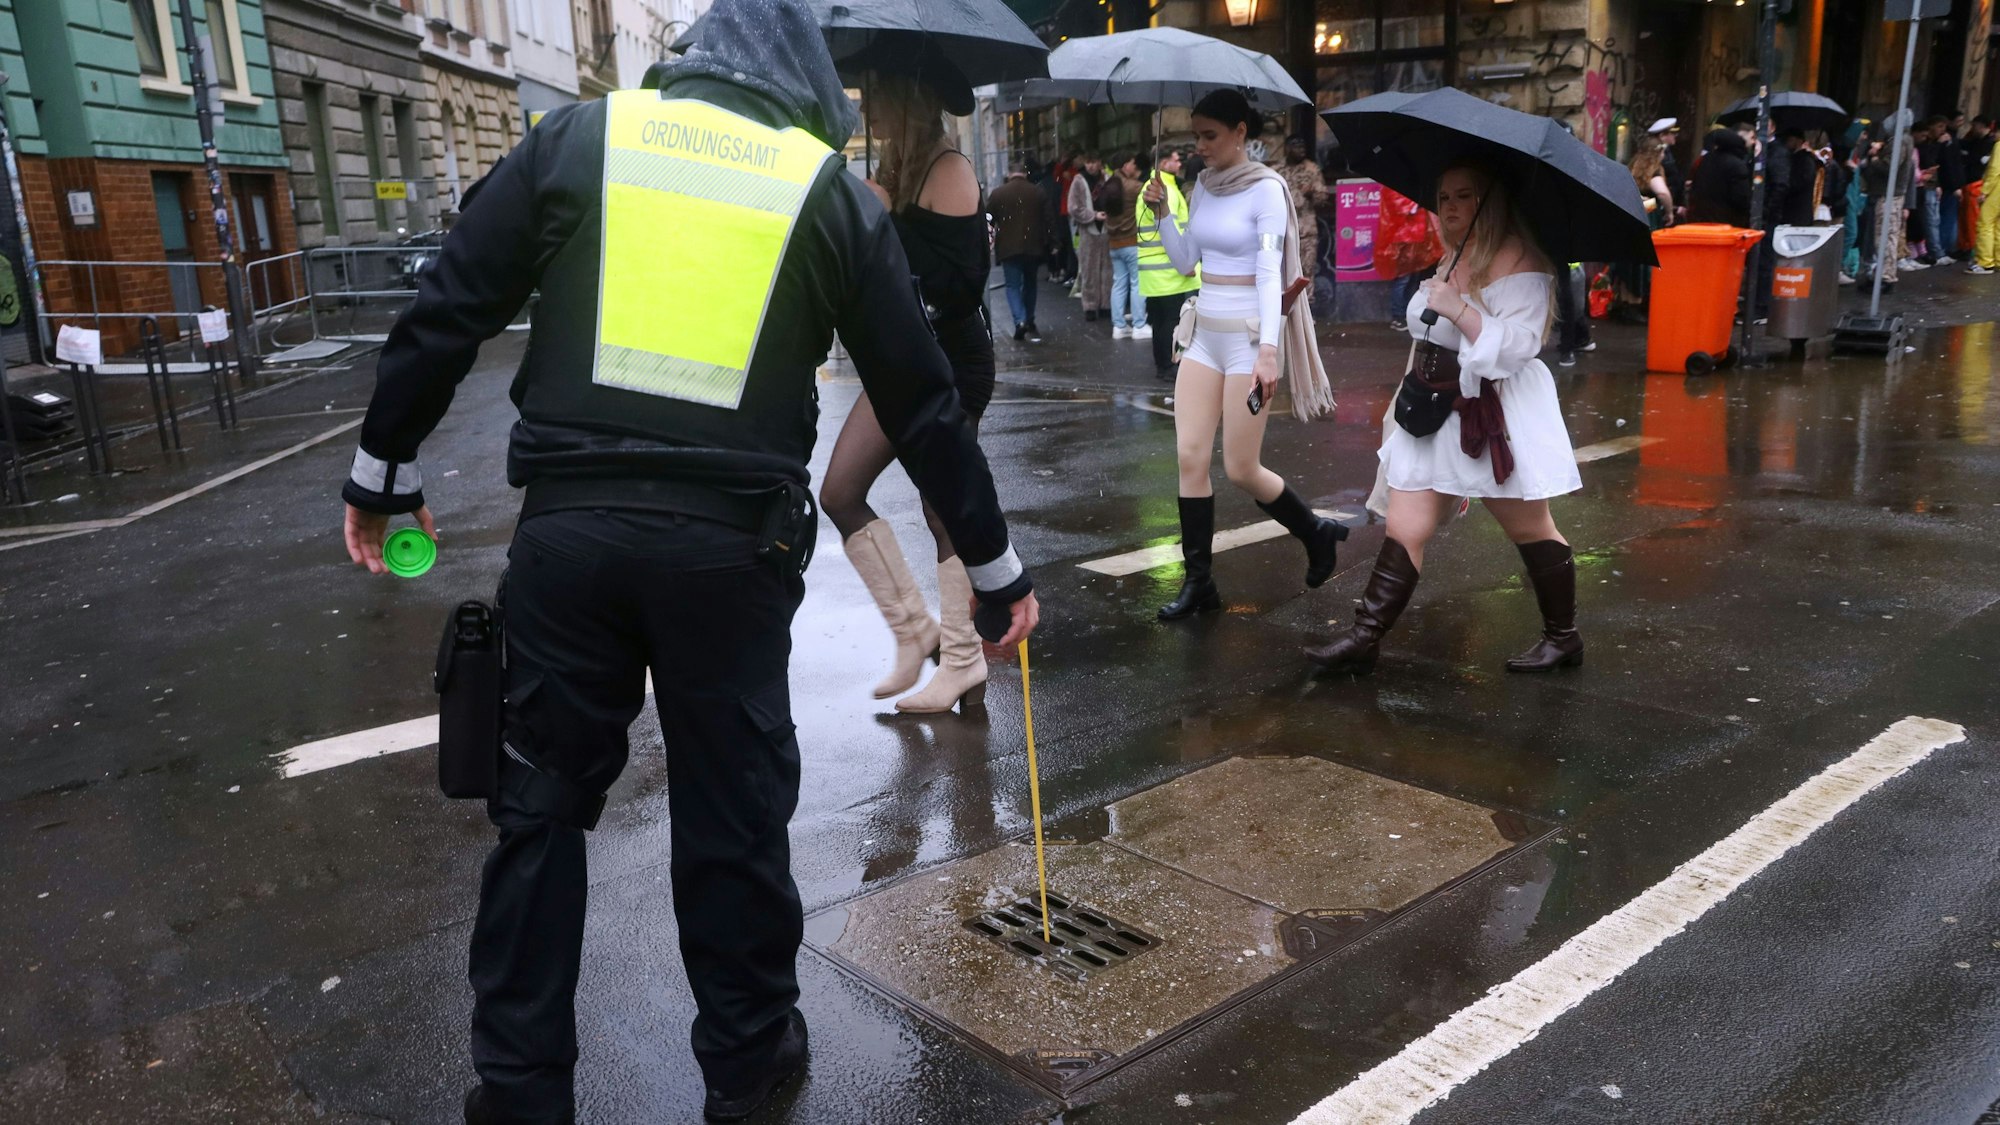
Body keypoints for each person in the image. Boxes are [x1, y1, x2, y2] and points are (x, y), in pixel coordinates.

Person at [337, 7, 1041, 1121]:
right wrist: (995, 567)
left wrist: (382, 467)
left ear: (689, 63)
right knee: (731, 816)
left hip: (569, 537)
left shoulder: (578, 138)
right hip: (730, 551)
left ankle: (519, 1089)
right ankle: (749, 1063)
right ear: (802, 87)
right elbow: (921, 392)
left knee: (539, 812)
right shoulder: (826, 191)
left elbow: (452, 299)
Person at [1307, 162, 1581, 677]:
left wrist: (1460, 309)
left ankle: (1563, 637)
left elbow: (1520, 347)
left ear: (1491, 202)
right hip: (1431, 411)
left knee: (1531, 528)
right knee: (1405, 524)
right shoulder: (1456, 254)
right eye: (1443, 196)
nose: (1450, 207)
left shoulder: (1521, 261)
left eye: (1464, 196)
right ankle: (1365, 636)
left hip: (1492, 416)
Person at [819, 60, 1009, 716]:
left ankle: (961, 663)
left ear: (906, 98)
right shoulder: (896, 168)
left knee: (942, 508)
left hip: (952, 362)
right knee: (840, 491)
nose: (864, 108)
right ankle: (914, 632)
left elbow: (959, 287)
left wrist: (884, 225)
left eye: (875, 94)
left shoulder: (946, 167)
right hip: (902, 359)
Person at [1145, 88, 1342, 621]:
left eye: (1210, 136)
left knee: (1239, 467)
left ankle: (1316, 531)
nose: (1200, 147)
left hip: (1249, 339)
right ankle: (1199, 584)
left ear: (1240, 133)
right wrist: (1164, 213)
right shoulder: (1202, 186)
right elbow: (1187, 262)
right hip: (1204, 333)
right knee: (1189, 456)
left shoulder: (1267, 190)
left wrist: (1269, 351)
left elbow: (1266, 273)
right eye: (1195, 136)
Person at [1136, 146, 1201, 379]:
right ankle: (1168, 366)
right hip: (1170, 270)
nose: (1179, 163)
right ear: (1163, 163)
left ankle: (1163, 364)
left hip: (1156, 271)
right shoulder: (1165, 191)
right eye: (1175, 159)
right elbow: (1170, 231)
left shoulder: (1156, 188)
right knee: (1171, 322)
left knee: (1161, 322)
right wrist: (1187, 263)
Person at [992, 160, 1053, 343]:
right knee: (1030, 284)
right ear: (1025, 174)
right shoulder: (1038, 192)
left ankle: (1019, 321)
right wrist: (1053, 242)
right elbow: (1049, 220)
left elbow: (987, 219)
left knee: (1012, 286)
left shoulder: (998, 194)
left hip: (1008, 248)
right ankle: (1029, 318)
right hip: (1033, 247)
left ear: (1009, 173)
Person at [1100, 153, 1151, 340]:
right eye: (1131, 162)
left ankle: (1119, 326)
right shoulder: (1133, 187)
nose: (1135, 165)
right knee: (1137, 284)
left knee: (1119, 283)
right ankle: (1139, 325)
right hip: (1131, 242)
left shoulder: (1109, 186)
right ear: (1124, 165)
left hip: (1114, 244)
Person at [1274, 134, 1328, 295]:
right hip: (1282, 230)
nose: (1302, 151)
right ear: (1288, 148)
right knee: (1282, 271)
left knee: (1307, 270)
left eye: (1303, 147)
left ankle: (1308, 313)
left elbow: (1323, 198)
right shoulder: (1276, 171)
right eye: (1298, 147)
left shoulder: (1312, 169)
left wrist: (1312, 193)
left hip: (1306, 230)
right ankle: (1285, 309)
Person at [1068, 154, 1112, 320]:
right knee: (1088, 269)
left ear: (1100, 162)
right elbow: (1073, 207)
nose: (1091, 166)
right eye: (1088, 162)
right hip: (1089, 229)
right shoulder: (1079, 181)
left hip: (1106, 229)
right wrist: (1093, 215)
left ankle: (1106, 304)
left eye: (1094, 162)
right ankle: (1090, 306)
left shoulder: (1107, 178)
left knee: (1107, 269)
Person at [1688, 127, 1752, 226]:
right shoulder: (1737, 165)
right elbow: (1741, 198)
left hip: (1702, 219)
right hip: (1728, 223)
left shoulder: (1704, 160)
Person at [1970, 134, 2000, 274]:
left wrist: (1985, 190)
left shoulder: (1999, 146)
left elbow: (1994, 170)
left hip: (1996, 190)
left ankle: (1985, 261)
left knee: (1985, 223)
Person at [1648, 117, 1685, 220]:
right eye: (1672, 133)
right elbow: (1661, 193)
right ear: (1662, 136)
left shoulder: (1666, 153)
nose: (1675, 136)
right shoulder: (1657, 159)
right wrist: (1669, 211)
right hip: (1659, 211)